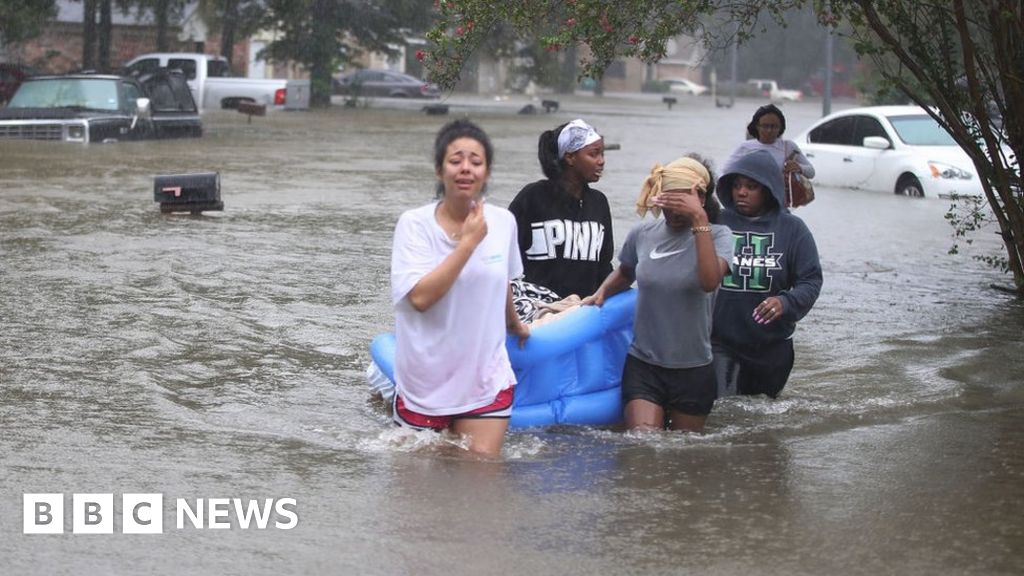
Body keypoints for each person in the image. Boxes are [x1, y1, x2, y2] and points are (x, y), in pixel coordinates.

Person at [390, 119, 530, 457]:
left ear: (487, 172)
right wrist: (467, 244)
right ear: (440, 170)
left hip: (485, 379)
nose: (465, 168)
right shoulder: (414, 225)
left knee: (478, 492)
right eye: (456, 160)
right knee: (417, 498)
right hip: (423, 382)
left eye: (476, 161)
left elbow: (503, 280)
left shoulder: (504, 222)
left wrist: (515, 324)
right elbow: (421, 298)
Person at [583, 155, 733, 432]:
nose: (673, 213)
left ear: (700, 198)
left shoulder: (720, 236)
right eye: (667, 204)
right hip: (644, 364)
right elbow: (626, 272)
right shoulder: (643, 234)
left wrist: (699, 219)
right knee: (643, 445)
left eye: (680, 205)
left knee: (681, 455)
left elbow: (709, 281)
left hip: (694, 369)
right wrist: (601, 292)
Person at [712, 149, 823, 399]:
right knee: (723, 410)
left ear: (769, 189)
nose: (741, 192)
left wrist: (786, 302)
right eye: (737, 185)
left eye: (751, 186)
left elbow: (811, 280)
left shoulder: (793, 229)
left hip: (772, 346)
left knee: (760, 418)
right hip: (721, 342)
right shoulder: (716, 222)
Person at [508, 118, 614, 301]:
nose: (601, 161)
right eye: (594, 154)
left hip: (583, 312)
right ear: (570, 157)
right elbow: (505, 255)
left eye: (602, 154)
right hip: (539, 310)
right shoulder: (532, 197)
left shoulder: (599, 203)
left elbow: (604, 265)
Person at [724, 104, 815, 180]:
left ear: (780, 128)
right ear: (757, 126)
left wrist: (799, 168)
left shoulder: (789, 147)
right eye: (765, 126)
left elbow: (811, 172)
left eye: (774, 126)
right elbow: (725, 171)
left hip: (781, 200)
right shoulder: (745, 147)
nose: (769, 130)